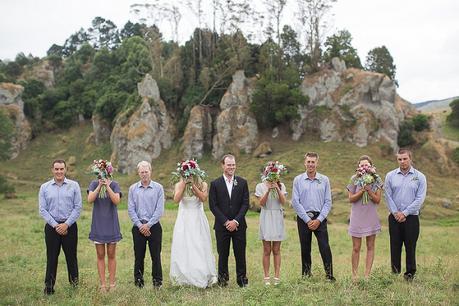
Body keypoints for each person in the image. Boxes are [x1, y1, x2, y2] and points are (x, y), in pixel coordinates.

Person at [38, 159, 82, 295]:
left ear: (65, 170)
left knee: (71, 257)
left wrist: (66, 224)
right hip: (52, 227)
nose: (59, 172)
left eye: (61, 169)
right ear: (52, 170)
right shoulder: (44, 187)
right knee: (51, 257)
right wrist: (56, 225)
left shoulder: (74, 186)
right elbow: (42, 209)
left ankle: (74, 286)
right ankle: (49, 288)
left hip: (70, 227)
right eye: (56, 169)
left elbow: (78, 207)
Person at [292, 152, 335, 281]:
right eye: (308, 162)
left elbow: (328, 202)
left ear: (317, 163)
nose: (310, 164)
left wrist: (318, 220)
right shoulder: (298, 180)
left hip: (319, 218)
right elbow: (295, 201)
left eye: (313, 162)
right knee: (305, 247)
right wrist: (307, 219)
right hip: (304, 218)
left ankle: (329, 275)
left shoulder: (324, 180)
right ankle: (306, 275)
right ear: (305, 163)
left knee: (324, 246)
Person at [384, 149, 427, 281]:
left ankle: (409, 274)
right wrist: (396, 212)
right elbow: (387, 195)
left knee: (410, 246)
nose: (402, 161)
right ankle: (395, 272)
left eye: (405, 159)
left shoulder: (420, 177)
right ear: (397, 160)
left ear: (410, 158)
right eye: (400, 159)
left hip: (411, 218)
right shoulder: (390, 176)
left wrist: (405, 213)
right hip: (394, 217)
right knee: (395, 246)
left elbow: (420, 198)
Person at [169, 173, 218, 288]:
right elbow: (176, 200)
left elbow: (203, 198)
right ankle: (183, 277)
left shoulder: (203, 184)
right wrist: (184, 185)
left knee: (199, 246)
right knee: (184, 246)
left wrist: (193, 186)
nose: (189, 175)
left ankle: (201, 274)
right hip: (184, 219)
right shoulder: (179, 184)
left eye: (192, 173)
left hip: (197, 218)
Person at [209, 154, 250, 287]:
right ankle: (222, 280)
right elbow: (213, 205)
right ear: (223, 166)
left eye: (233, 164)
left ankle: (242, 280)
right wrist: (226, 222)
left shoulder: (242, 182)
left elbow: (245, 204)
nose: (231, 167)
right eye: (229, 165)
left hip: (239, 226)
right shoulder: (215, 184)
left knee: (240, 254)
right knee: (223, 254)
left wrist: (236, 221)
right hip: (222, 226)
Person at [128, 161, 164, 288]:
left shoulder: (158, 188)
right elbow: (131, 209)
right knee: (139, 256)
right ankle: (138, 282)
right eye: (142, 172)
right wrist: (140, 225)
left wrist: (148, 225)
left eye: (146, 172)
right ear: (138, 173)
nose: (144, 174)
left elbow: (159, 210)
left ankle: (157, 282)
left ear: (150, 171)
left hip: (154, 227)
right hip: (138, 227)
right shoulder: (132, 189)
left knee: (156, 256)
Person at [347, 155, 382, 280]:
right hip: (357, 215)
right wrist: (361, 191)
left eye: (366, 165)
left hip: (371, 215)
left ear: (371, 167)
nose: (364, 167)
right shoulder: (353, 179)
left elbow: (378, 200)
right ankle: (355, 275)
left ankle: (367, 275)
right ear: (358, 167)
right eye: (362, 165)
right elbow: (351, 199)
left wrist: (369, 191)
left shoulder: (377, 179)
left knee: (370, 246)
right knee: (356, 247)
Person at [87, 175, 122, 292]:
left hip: (111, 223)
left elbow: (116, 201)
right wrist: (99, 186)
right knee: (100, 255)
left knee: (111, 255)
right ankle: (102, 285)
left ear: (109, 173)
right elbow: (90, 199)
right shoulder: (93, 184)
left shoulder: (115, 184)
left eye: (105, 172)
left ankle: (112, 284)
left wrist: (107, 185)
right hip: (98, 224)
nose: (103, 175)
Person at [255, 170, 287, 285]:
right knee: (267, 249)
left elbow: (283, 202)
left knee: (277, 250)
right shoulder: (260, 186)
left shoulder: (281, 185)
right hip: (266, 216)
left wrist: (277, 188)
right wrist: (268, 189)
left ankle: (277, 277)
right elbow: (262, 203)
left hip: (277, 216)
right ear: (265, 174)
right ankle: (267, 277)